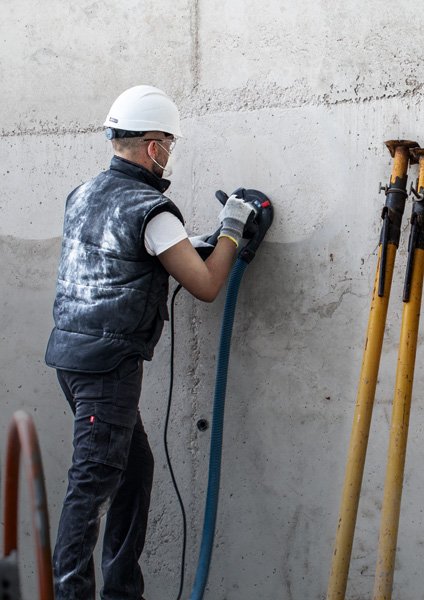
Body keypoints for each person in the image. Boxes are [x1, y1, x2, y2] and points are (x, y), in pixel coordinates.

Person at [45, 85, 254, 600]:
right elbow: (206, 285)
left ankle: (122, 591)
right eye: (170, 144)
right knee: (91, 486)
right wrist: (232, 229)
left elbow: (120, 255)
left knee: (134, 470)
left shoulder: (84, 194)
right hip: (109, 366)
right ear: (154, 145)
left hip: (72, 356)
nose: (170, 154)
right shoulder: (152, 209)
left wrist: (191, 243)